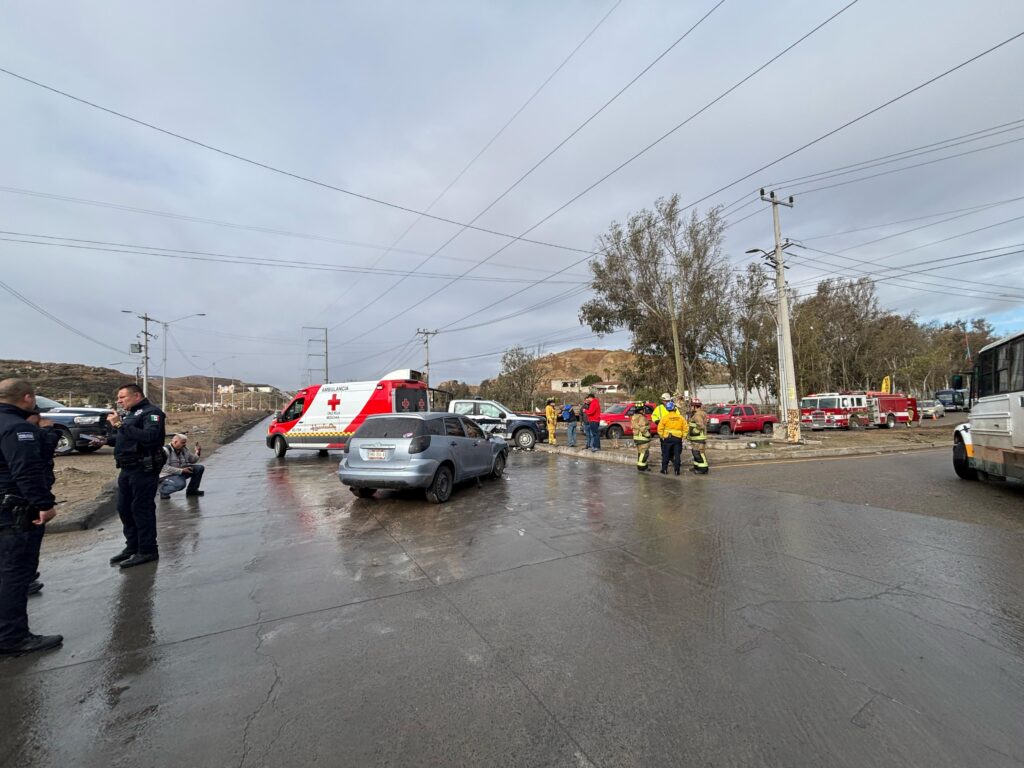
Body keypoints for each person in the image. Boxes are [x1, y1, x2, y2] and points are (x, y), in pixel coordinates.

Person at [0, 378, 62, 655]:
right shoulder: (17, 428)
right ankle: (13, 638)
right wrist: (44, 503)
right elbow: (26, 470)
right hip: (13, 513)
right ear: (27, 397)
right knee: (15, 575)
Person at [102, 384, 166, 569]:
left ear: (137, 395)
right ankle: (132, 547)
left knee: (141, 509)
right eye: (118, 398)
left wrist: (119, 425)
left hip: (143, 468)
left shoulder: (151, 412)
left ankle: (147, 550)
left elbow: (151, 436)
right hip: (127, 468)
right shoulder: (131, 414)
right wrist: (107, 440)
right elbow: (128, 438)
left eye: (123, 397)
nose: (119, 401)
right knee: (124, 508)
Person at [24, 407, 60, 597]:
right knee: (29, 536)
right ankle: (25, 579)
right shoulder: (23, 432)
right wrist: (48, 430)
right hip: (26, 495)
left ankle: (26, 576)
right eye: (39, 416)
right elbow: (41, 456)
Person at [159, 433, 205, 499]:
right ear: (175, 442)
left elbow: (193, 460)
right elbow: (163, 468)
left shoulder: (184, 449)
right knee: (181, 484)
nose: (184, 444)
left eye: (185, 443)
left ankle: (192, 491)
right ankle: (163, 491)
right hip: (167, 475)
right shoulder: (165, 451)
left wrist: (198, 452)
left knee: (199, 468)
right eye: (182, 443)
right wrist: (181, 470)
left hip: (180, 472)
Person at [657, 399, 687, 475]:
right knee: (677, 455)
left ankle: (664, 470)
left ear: (667, 409)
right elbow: (685, 427)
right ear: (674, 408)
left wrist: (662, 436)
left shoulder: (665, 417)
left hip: (668, 438)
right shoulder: (680, 418)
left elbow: (660, 428)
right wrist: (684, 436)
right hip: (677, 438)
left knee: (666, 454)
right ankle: (677, 471)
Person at [687, 398, 709, 475]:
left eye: (691, 406)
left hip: (698, 438)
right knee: (696, 453)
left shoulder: (697, 415)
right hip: (698, 438)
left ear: (694, 406)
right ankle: (697, 467)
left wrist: (694, 432)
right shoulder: (702, 413)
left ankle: (703, 469)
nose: (690, 407)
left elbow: (701, 426)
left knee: (699, 453)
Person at [630, 403, 653, 472]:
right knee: (645, 453)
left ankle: (643, 466)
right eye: (643, 409)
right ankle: (641, 467)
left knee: (640, 452)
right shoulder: (641, 417)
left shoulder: (634, 417)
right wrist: (648, 435)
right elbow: (643, 428)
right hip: (643, 437)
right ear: (640, 410)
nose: (644, 410)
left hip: (637, 437)